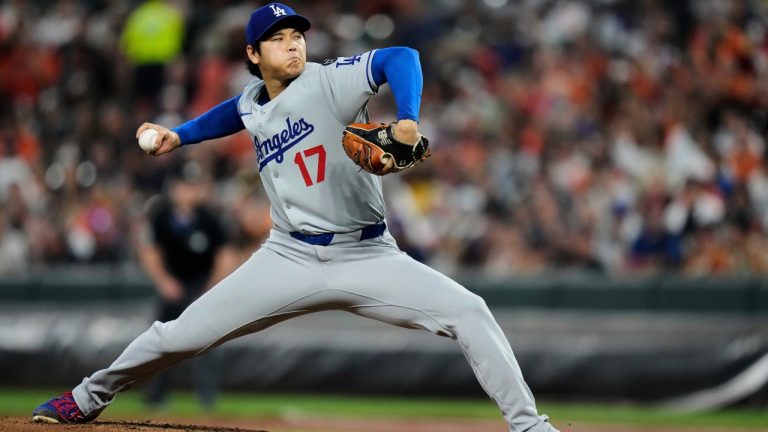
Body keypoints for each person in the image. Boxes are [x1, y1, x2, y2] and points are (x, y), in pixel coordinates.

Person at [32, 4, 559, 431]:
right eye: (279, 38)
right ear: (252, 53)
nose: (294, 44)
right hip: (288, 256)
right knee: (178, 336)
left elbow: (402, 56)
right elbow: (231, 113)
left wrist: (407, 119)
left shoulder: (330, 82)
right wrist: (179, 135)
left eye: (297, 35)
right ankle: (85, 398)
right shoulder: (251, 102)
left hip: (368, 254)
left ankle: (530, 427)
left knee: (469, 310)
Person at [137, 161, 234, 410]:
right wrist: (164, 282)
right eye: (186, 185)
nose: (191, 190)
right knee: (161, 341)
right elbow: (149, 252)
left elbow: (225, 255)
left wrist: (212, 287)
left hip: (201, 286)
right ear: (175, 187)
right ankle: (155, 396)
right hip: (173, 285)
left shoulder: (210, 218)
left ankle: (207, 399)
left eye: (194, 185)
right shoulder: (161, 216)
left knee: (207, 344)